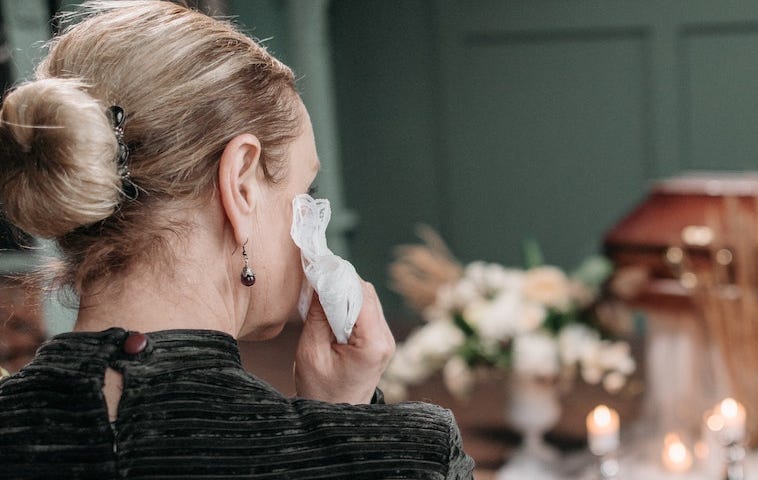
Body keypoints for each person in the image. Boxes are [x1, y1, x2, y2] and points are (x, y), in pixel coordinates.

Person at [0, 2, 474, 478]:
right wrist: (349, 433)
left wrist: (336, 419)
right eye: (303, 192)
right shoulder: (415, 457)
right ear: (241, 185)